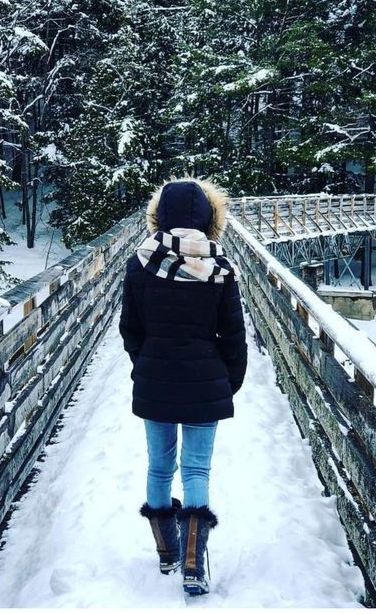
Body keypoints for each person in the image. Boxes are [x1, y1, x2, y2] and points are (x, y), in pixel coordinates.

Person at [119, 177, 247, 596]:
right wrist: (228, 382)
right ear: (212, 219)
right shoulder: (220, 268)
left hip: (155, 379)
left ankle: (168, 552)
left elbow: (130, 329)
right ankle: (194, 565)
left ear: (160, 216)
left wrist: (147, 364)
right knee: (195, 470)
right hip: (204, 382)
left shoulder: (141, 263)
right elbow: (233, 335)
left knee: (160, 466)